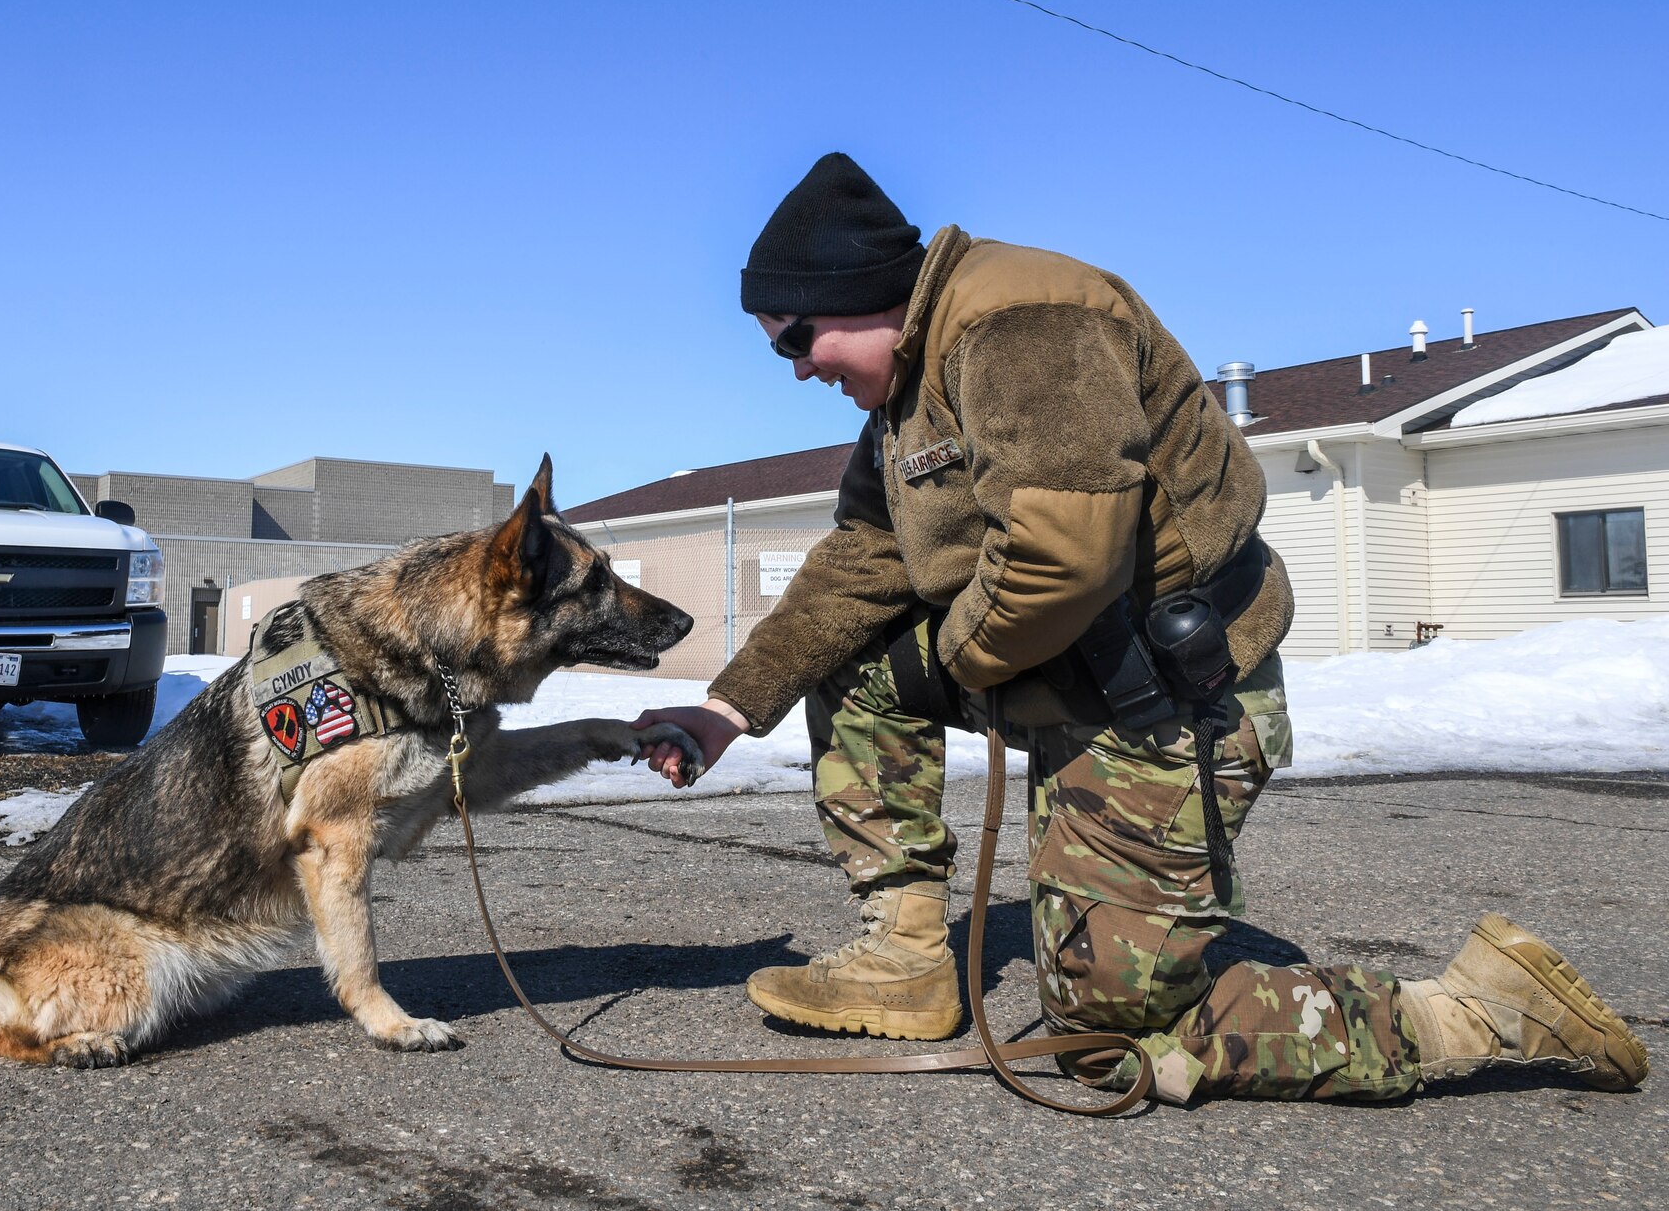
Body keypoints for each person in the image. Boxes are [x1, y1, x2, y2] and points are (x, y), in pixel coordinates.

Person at [634, 152, 1649, 1104]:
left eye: (790, 337)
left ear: (855, 293)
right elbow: (859, 562)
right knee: (849, 653)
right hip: (1055, 669)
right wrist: (728, 708)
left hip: (1166, 702)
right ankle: (900, 962)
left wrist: (958, 666)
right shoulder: (905, 399)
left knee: (1107, 1031)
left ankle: (1474, 1013)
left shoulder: (1021, 320)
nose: (793, 367)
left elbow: (1060, 557)